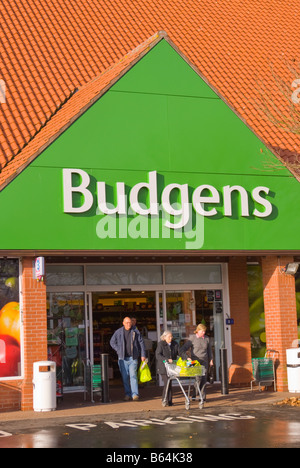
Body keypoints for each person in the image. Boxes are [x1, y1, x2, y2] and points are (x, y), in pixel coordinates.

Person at [110, 316, 146, 401]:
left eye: (130, 322)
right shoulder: (118, 332)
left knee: (133, 376)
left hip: (132, 358)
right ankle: (127, 394)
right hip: (122, 359)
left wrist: (143, 354)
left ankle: (135, 395)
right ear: (123, 323)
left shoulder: (135, 331)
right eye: (127, 322)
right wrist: (118, 349)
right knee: (125, 377)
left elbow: (141, 343)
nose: (128, 324)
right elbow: (112, 342)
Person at [179, 324, 213, 400]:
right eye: (202, 331)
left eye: (204, 331)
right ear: (197, 330)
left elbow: (209, 350)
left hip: (204, 360)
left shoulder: (206, 338)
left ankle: (203, 397)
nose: (203, 333)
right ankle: (195, 394)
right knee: (198, 378)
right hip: (194, 361)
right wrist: (187, 358)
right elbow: (183, 349)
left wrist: (211, 359)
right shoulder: (192, 338)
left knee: (204, 378)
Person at [156, 330, 179, 406]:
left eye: (171, 336)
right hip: (163, 367)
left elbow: (180, 352)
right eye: (169, 337)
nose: (171, 338)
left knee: (170, 383)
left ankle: (169, 401)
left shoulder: (175, 344)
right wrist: (166, 359)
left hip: (171, 368)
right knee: (167, 382)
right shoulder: (161, 344)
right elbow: (158, 355)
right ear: (164, 337)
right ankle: (164, 400)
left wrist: (187, 357)